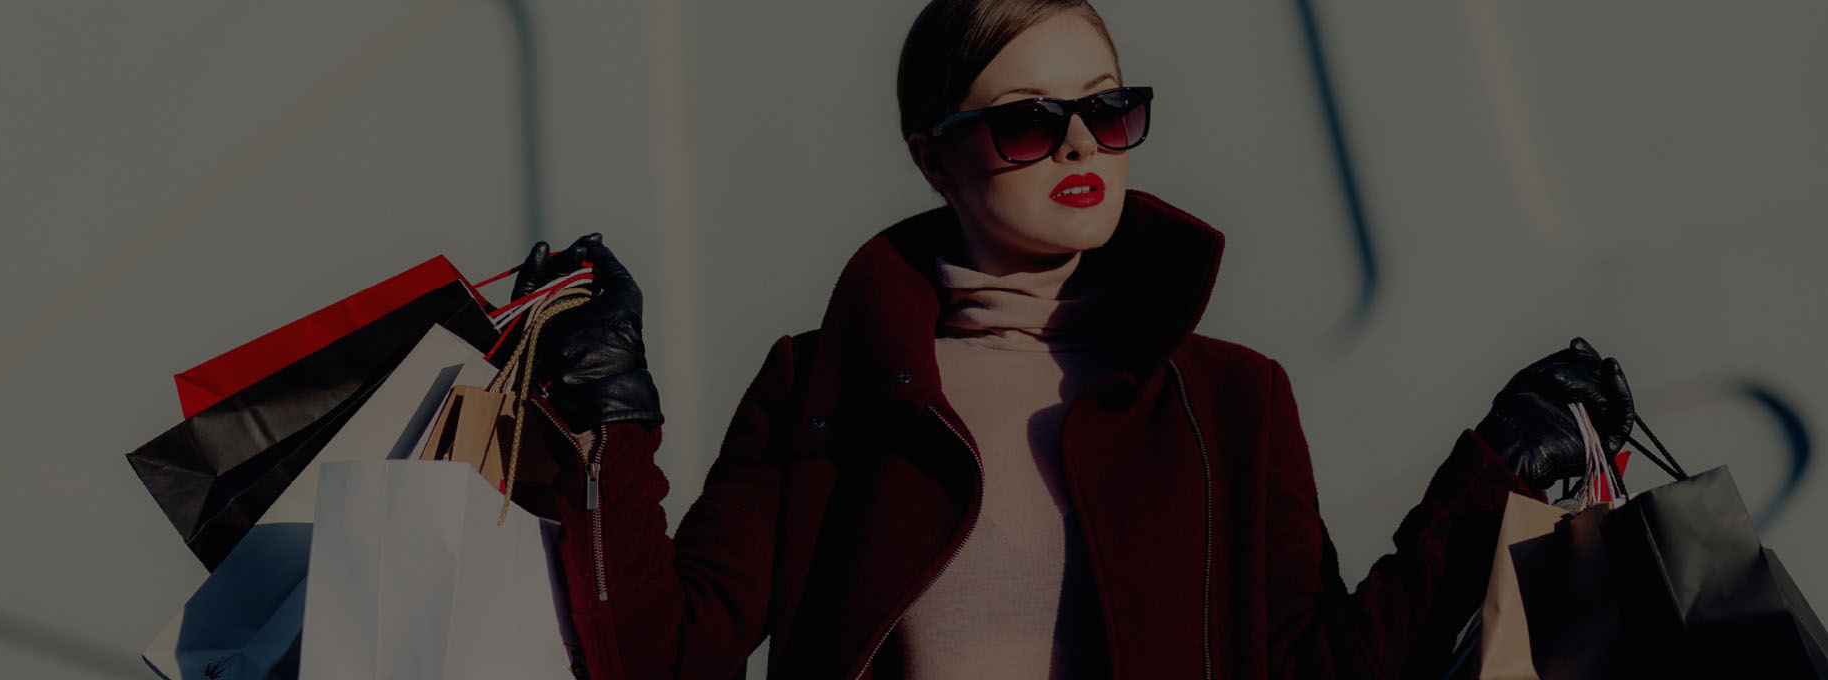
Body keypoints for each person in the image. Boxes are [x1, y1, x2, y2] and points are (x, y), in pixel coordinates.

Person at [510, 1, 1636, 678]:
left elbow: (1317, 668)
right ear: (931, 157)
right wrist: (608, 418)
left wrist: (1489, 479)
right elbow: (661, 655)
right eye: (1025, 122)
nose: (1080, 145)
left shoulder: (1232, 398)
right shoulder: (826, 382)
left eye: (1107, 108)